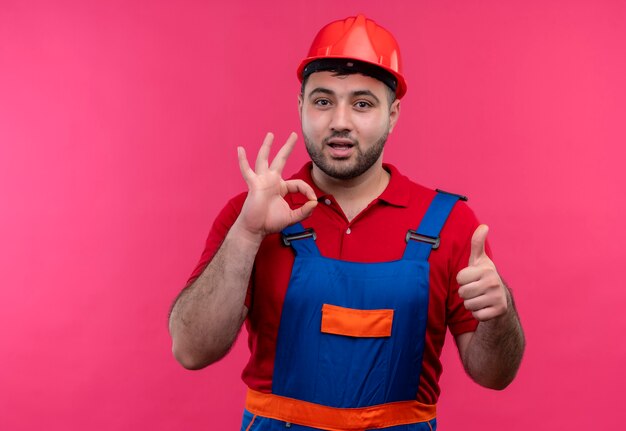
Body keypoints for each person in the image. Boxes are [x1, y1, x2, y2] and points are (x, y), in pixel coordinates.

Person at [169, 14, 525, 431]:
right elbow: (191, 352)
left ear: (392, 115)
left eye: (362, 103)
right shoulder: (251, 214)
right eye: (323, 101)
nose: (340, 121)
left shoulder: (450, 223)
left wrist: (499, 313)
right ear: (300, 107)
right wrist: (247, 235)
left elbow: (494, 375)